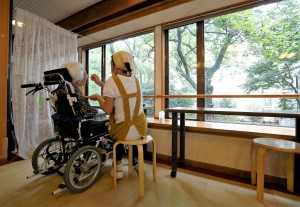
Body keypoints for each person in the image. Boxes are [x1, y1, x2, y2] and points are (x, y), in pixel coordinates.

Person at [87, 51, 147, 179]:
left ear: (115, 66)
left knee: (113, 128)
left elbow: (108, 109)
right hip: (141, 129)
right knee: (128, 128)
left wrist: (98, 97)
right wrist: (100, 83)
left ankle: (118, 168)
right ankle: (138, 164)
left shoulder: (112, 81)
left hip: (123, 131)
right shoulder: (135, 80)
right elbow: (120, 90)